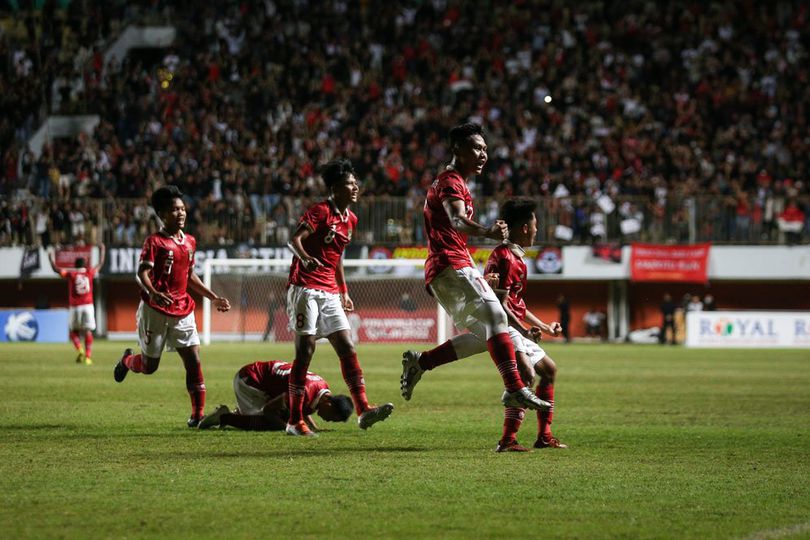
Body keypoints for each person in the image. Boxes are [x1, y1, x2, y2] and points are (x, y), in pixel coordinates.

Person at [400, 123, 551, 415]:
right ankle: (514, 389)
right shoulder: (450, 182)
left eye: (485, 149)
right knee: (497, 316)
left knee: (489, 335)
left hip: (449, 265)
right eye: (477, 148)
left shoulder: (457, 183)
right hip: (450, 262)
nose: (483, 155)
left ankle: (421, 362)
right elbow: (457, 221)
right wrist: (488, 232)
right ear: (457, 149)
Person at [401, 199, 565, 452]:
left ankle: (544, 435)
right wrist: (522, 330)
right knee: (525, 373)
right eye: (535, 225)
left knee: (547, 369)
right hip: (503, 321)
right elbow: (500, 305)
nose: (536, 230)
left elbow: (516, 303)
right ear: (523, 228)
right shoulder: (503, 257)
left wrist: (542, 326)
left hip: (508, 322)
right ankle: (508, 440)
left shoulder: (518, 259)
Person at [285, 158, 393, 436]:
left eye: (356, 183)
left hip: (330, 291)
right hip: (305, 287)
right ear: (334, 188)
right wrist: (306, 258)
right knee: (305, 351)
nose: (355, 187)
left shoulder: (351, 219)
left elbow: (337, 258)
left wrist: (344, 291)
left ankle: (363, 408)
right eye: (349, 183)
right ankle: (294, 420)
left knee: (347, 346)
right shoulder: (320, 211)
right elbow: (293, 240)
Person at [113, 185, 232, 428]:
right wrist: (154, 293)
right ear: (162, 214)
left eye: (182, 209)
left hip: (182, 309)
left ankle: (197, 415)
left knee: (193, 358)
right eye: (174, 210)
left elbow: (189, 275)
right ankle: (127, 361)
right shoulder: (154, 242)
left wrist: (213, 297)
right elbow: (141, 272)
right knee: (149, 367)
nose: (181, 213)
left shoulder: (189, 242)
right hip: (154, 310)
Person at [197, 360, 354, 431]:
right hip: (249, 381)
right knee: (269, 423)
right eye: (332, 417)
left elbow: (301, 410)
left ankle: (241, 412)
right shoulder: (306, 391)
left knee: (288, 416)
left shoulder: (322, 387)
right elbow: (269, 411)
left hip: (256, 379)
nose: (328, 420)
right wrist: (287, 428)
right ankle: (224, 417)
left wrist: (313, 428)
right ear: (329, 403)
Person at [48, 243, 106, 364]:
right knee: (88, 331)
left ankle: (80, 349)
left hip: (75, 306)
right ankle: (88, 357)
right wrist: (102, 250)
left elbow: (55, 269)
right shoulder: (89, 272)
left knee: (73, 331)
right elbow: (100, 264)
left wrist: (50, 257)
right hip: (88, 306)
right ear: (84, 265)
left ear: (75, 265)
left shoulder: (71, 274)